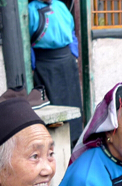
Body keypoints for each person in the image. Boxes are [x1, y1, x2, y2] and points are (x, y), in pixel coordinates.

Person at [28, 0, 83, 143]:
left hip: (67, 62)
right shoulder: (30, 10)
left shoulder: (60, 6)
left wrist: (74, 55)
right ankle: (57, 143)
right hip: (45, 64)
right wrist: (33, 66)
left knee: (73, 102)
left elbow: (71, 32)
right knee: (53, 104)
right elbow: (26, 42)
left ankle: (76, 140)